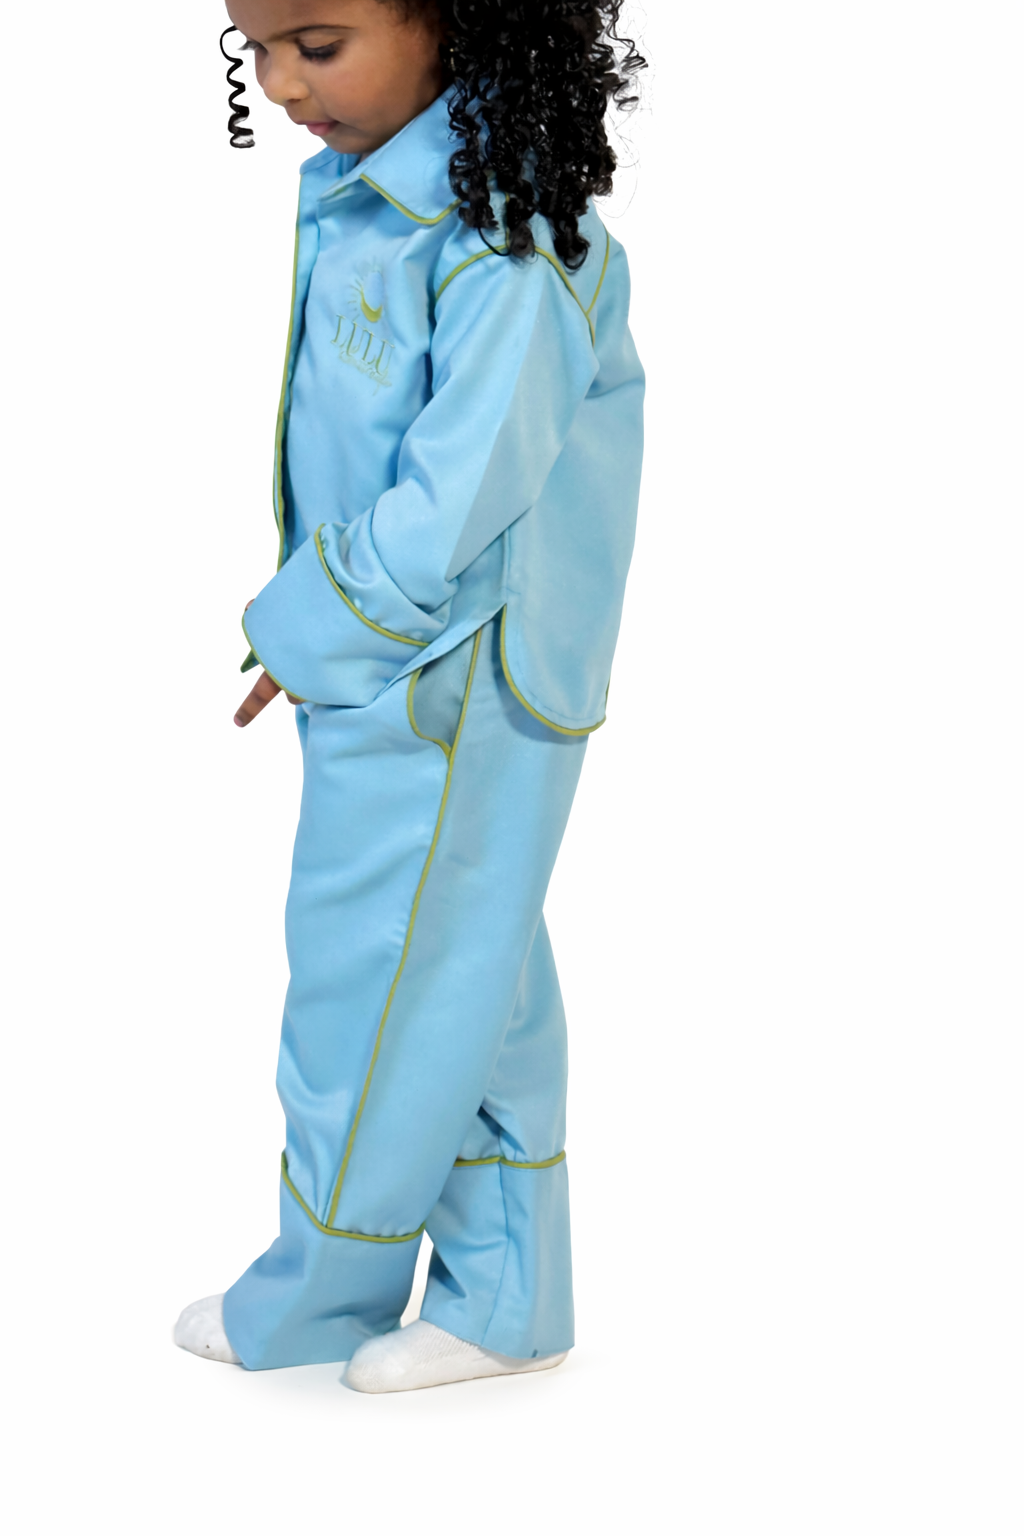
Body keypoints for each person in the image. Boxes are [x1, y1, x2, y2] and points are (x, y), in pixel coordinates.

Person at [175, 0, 645, 1392]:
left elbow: (455, 501)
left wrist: (304, 625)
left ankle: (315, 1299)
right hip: (405, 663)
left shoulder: (506, 239)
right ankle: (506, 1297)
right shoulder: (386, 198)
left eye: (316, 45)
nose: (281, 84)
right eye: (254, 48)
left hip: (451, 677)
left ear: (461, 16)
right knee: (469, 971)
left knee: (369, 978)